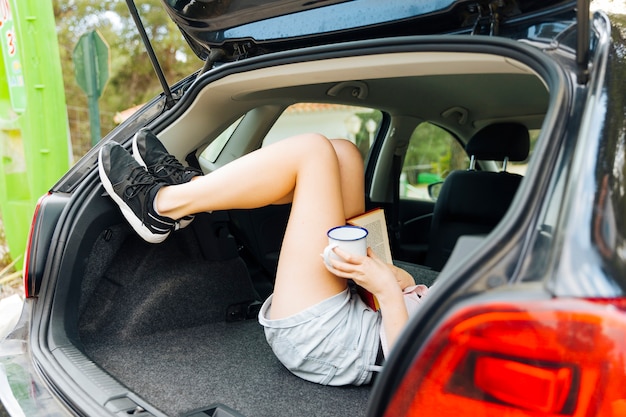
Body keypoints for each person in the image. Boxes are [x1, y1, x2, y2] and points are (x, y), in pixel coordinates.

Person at [98, 129, 428, 386]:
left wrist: (386, 289)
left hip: (336, 342)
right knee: (345, 154)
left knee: (312, 152)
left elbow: (409, 376)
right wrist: (404, 285)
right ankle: (195, 191)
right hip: (374, 306)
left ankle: (162, 205)